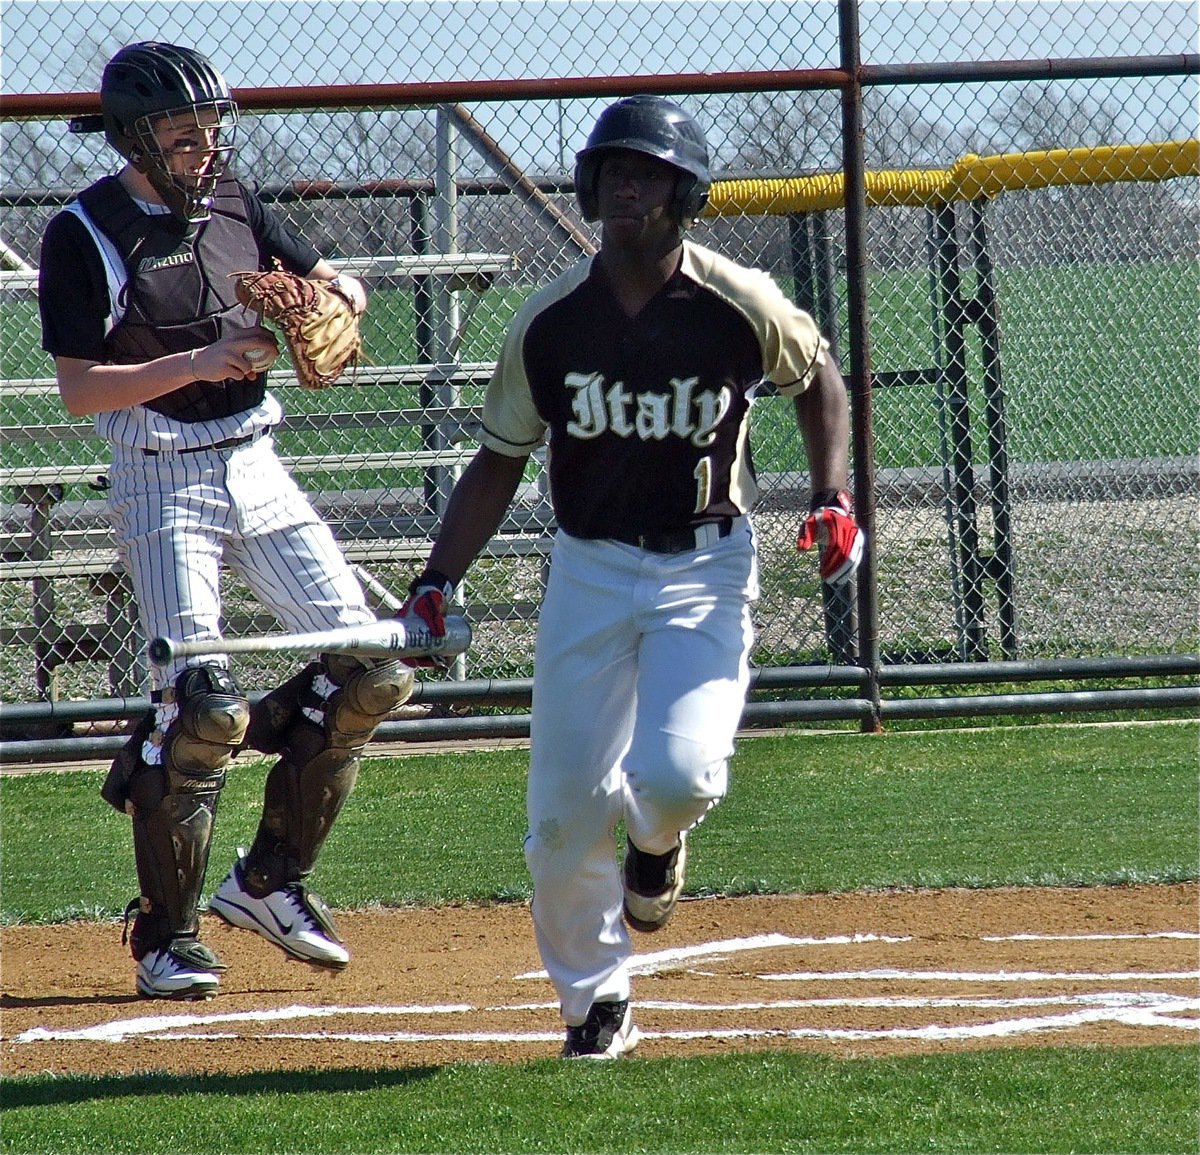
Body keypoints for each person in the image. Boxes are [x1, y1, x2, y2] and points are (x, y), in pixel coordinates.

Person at [398, 95, 864, 1058]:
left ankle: (655, 844)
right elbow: (497, 459)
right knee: (562, 817)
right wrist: (436, 576)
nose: (624, 186)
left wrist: (833, 495)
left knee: (684, 772)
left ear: (686, 192)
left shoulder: (738, 301)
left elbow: (819, 377)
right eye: (611, 170)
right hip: (589, 570)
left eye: (646, 171)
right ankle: (596, 1003)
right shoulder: (553, 321)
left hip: (704, 564)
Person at [37, 42, 414, 1001]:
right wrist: (200, 361)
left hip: (255, 458)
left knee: (373, 668)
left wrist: (334, 299)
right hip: (160, 472)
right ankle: (168, 935)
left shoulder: (237, 202)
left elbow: (336, 278)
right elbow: (80, 389)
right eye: (181, 133)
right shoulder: (85, 231)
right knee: (202, 705)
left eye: (211, 130)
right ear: (134, 137)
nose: (204, 147)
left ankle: (270, 882)